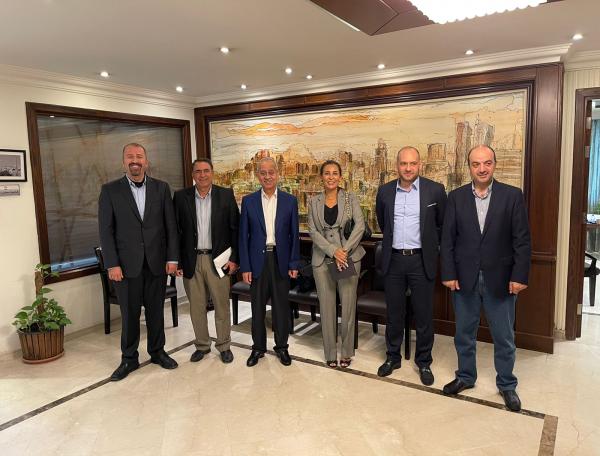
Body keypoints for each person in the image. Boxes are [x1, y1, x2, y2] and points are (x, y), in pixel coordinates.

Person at [441, 144, 531, 412]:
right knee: (464, 334)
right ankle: (465, 376)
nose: (482, 169)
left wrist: (519, 276)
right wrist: (448, 273)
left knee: (504, 337)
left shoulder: (512, 196)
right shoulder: (455, 197)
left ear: (494, 164)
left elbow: (522, 241)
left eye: (487, 163)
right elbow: (448, 240)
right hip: (464, 279)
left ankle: (507, 384)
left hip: (501, 279)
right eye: (476, 164)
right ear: (469, 167)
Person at [98, 142, 179, 381]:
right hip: (125, 266)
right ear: (123, 162)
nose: (135, 160)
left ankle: (157, 352)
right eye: (130, 156)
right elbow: (106, 231)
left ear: (146, 161)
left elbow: (170, 226)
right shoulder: (110, 190)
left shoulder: (161, 188)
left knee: (156, 312)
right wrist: (112, 264)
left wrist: (172, 258)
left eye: (139, 156)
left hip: (156, 263)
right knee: (130, 314)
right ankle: (128, 358)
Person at [375, 146, 447, 385]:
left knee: (424, 315)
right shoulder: (385, 191)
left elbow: (441, 225)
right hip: (394, 259)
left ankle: (424, 361)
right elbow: (383, 223)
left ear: (420, 165)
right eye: (403, 163)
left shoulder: (435, 190)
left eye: (412, 163)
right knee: (394, 313)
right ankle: (392, 357)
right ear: (397, 166)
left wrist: (430, 246)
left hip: (421, 260)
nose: (408, 168)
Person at [173, 158, 239, 364]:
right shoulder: (181, 197)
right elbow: (175, 232)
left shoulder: (225, 195)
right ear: (193, 174)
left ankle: (224, 346)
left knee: (221, 306)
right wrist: (177, 261)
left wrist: (234, 259)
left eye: (206, 171)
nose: (202, 175)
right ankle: (202, 345)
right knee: (196, 307)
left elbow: (235, 230)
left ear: (212, 173)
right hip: (191, 260)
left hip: (218, 260)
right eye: (198, 171)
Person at [239, 157, 300, 367]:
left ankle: (282, 347)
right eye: (263, 173)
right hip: (257, 261)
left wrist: (294, 263)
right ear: (258, 176)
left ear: (278, 174)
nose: (267, 176)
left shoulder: (290, 201)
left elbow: (294, 235)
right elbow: (243, 237)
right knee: (257, 308)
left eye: (271, 172)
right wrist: (245, 266)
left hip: (280, 260)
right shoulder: (248, 201)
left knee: (281, 308)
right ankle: (258, 348)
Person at [308, 160, 365, 368]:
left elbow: (360, 226)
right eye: (327, 173)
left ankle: (347, 352)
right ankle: (330, 353)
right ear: (321, 177)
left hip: (348, 259)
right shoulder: (313, 201)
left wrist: (344, 252)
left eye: (335, 173)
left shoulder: (350, 198)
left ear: (340, 177)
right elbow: (313, 231)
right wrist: (333, 251)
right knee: (327, 308)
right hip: (322, 261)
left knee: (348, 308)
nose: (331, 177)